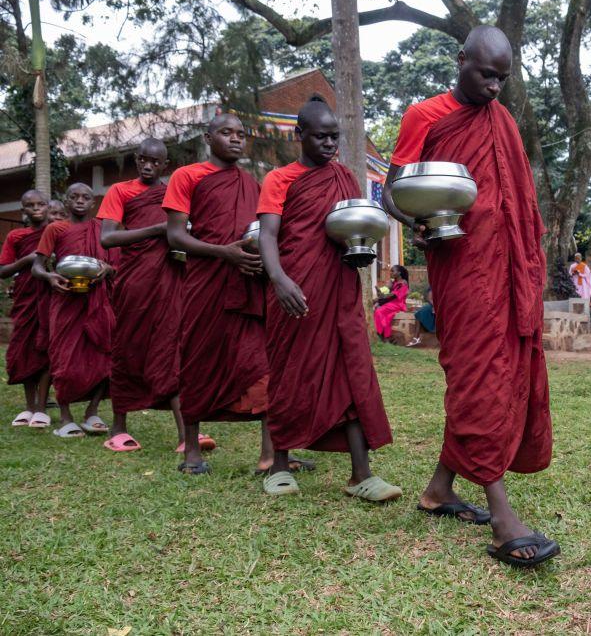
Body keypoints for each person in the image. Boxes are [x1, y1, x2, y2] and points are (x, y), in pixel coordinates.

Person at [383, 25, 558, 568]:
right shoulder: (425, 116)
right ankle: (502, 512)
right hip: (459, 261)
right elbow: (392, 190)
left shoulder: (501, 121)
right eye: (486, 74)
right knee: (476, 371)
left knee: (498, 370)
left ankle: (439, 488)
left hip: (506, 264)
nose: (494, 87)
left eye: (503, 78)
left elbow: (516, 196)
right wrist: (417, 220)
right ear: (461, 60)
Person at [257, 97, 398, 498]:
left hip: (339, 287)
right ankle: (279, 466)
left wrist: (364, 246)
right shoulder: (280, 179)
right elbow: (268, 235)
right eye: (320, 137)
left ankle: (361, 474)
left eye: (334, 137)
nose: (329, 144)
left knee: (352, 371)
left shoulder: (345, 179)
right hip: (295, 291)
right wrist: (279, 279)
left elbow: (354, 230)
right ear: (299, 136)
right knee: (289, 373)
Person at [163, 113, 274, 475]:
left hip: (245, 284)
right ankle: (192, 451)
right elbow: (176, 236)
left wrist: (254, 260)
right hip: (204, 283)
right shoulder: (187, 176)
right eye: (226, 132)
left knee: (259, 363)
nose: (236, 139)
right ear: (209, 137)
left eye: (241, 134)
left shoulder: (251, 184)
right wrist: (223, 252)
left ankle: (270, 455)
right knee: (197, 356)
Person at [98, 138, 196, 453]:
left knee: (173, 348)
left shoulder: (174, 192)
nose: (148, 166)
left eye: (155, 161)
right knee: (128, 346)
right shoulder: (120, 191)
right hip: (135, 281)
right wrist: (155, 231)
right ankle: (118, 428)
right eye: (143, 160)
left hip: (171, 277)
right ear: (136, 160)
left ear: (165, 164)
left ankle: (186, 436)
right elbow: (109, 237)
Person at [31, 183, 117, 438]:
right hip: (65, 300)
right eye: (74, 197)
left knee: (105, 359)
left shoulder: (103, 230)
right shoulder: (55, 229)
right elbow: (38, 266)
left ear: (94, 203)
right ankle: (66, 417)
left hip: (98, 301)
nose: (80, 201)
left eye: (86, 197)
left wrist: (107, 269)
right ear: (66, 201)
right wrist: (49, 277)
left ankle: (92, 412)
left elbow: (116, 265)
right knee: (64, 360)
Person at [1, 189, 53, 428]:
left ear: (48, 205)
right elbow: (3, 271)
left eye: (40, 204)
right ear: (23, 210)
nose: (36, 209)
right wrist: (28, 259)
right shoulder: (16, 236)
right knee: (24, 348)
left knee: (47, 349)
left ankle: (42, 408)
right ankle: (29, 407)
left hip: (51, 294)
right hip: (26, 295)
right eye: (30, 205)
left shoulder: (56, 231)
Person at [374, 265, 410, 343]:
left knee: (379, 311)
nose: (390, 273)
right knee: (383, 314)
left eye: (392, 271)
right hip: (391, 304)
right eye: (390, 271)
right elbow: (386, 291)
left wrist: (381, 297)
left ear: (399, 273)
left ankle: (379, 333)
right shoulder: (393, 282)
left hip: (398, 304)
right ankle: (386, 336)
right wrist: (383, 291)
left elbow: (393, 295)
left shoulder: (403, 283)